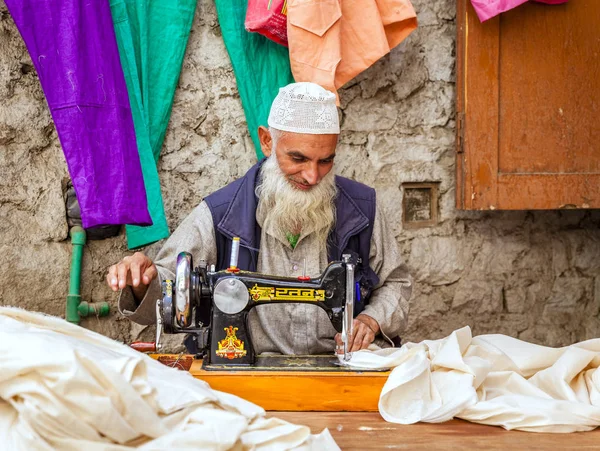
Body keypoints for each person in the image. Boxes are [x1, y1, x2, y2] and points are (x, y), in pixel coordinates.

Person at [108, 82, 412, 355]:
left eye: (326, 161)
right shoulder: (221, 214)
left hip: (341, 368)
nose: (313, 175)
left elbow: (395, 282)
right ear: (267, 141)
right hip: (247, 375)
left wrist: (372, 320)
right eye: (298, 158)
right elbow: (172, 286)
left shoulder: (361, 209)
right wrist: (142, 283)